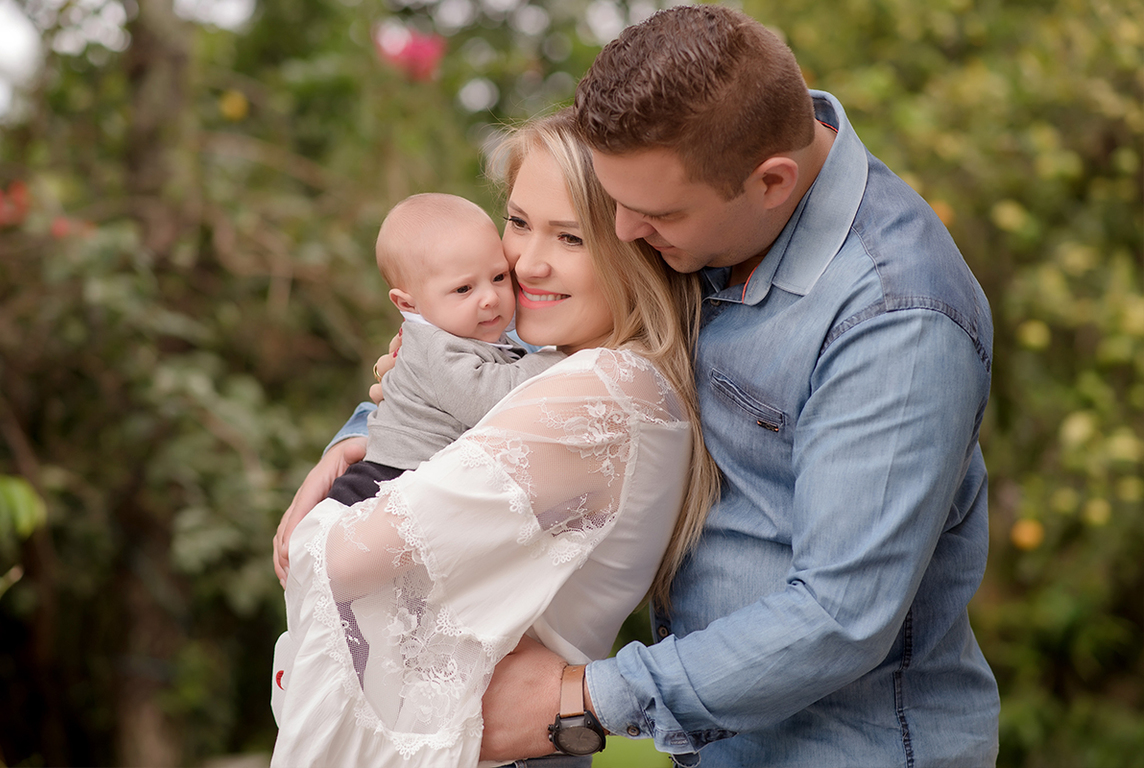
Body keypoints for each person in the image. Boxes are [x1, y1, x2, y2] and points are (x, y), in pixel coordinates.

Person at [474, 6, 1000, 767]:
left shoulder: (898, 316)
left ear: (772, 182)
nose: (621, 231)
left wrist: (578, 701)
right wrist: (372, 422)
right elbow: (544, 322)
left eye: (650, 212)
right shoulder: (700, 212)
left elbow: (839, 614)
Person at [269, 110, 719, 767]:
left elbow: (339, 559)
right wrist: (356, 441)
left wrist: (319, 515)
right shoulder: (571, 372)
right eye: (518, 222)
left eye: (570, 237)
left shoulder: (601, 392)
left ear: (633, 242)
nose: (527, 264)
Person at [323, 192, 564, 507]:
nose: (490, 298)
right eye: (464, 288)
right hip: (387, 478)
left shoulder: (470, 330)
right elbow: (490, 398)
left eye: (499, 276)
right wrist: (558, 358)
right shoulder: (434, 346)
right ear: (408, 304)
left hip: (426, 477)